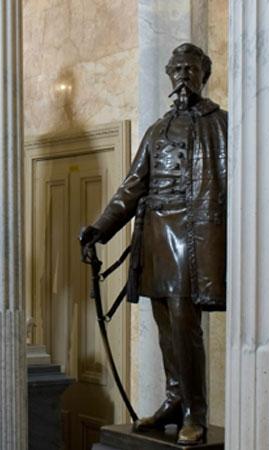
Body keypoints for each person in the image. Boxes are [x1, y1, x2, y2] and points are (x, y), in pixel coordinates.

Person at [79, 43, 227, 446]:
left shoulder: (222, 125)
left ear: (203, 74)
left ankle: (196, 410)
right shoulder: (157, 130)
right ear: (168, 74)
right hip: (157, 235)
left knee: (184, 324)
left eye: (190, 68)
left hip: (194, 235)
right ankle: (174, 400)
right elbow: (132, 187)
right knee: (165, 323)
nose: (182, 75)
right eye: (176, 68)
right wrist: (99, 229)